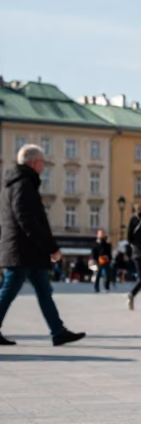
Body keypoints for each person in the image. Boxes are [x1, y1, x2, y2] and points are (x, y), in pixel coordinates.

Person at [0, 145, 87, 347]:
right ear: (33, 162)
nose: (43, 167)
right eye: (42, 163)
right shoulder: (23, 184)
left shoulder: (18, 183)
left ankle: (58, 331)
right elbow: (27, 220)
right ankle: (57, 331)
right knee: (9, 291)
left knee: (43, 291)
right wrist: (50, 247)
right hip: (22, 250)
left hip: (27, 250)